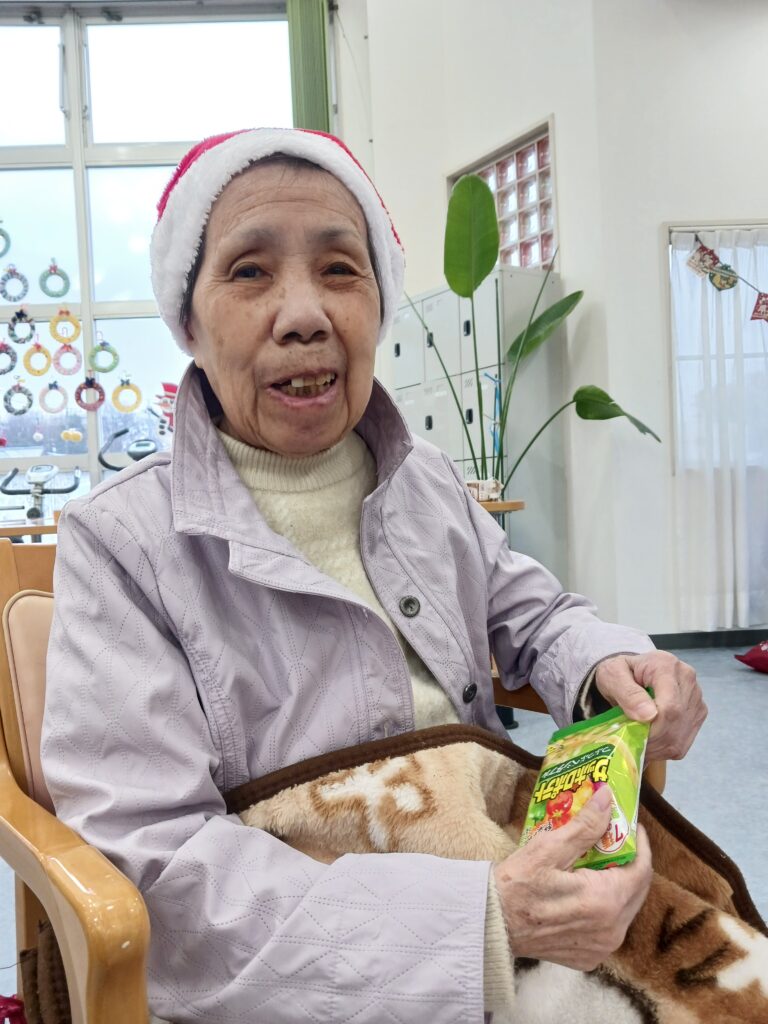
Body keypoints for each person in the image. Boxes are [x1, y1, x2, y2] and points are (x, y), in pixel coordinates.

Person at [41, 128, 706, 1023]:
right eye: (249, 271)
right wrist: (479, 922)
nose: (304, 314)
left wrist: (608, 662)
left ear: (378, 305)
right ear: (187, 322)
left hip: (514, 873)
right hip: (320, 966)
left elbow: (538, 616)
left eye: (340, 270)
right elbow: (154, 861)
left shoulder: (424, 482)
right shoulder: (122, 544)